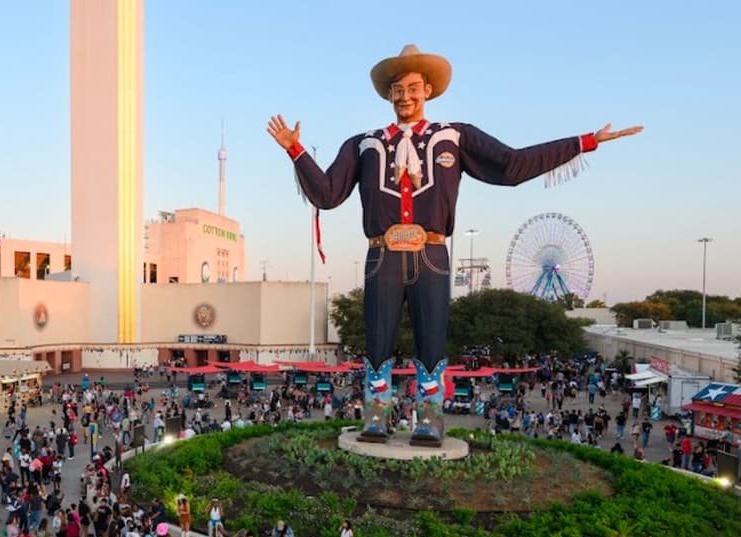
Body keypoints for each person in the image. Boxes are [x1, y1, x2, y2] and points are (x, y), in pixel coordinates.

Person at [269, 45, 640, 445]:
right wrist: (295, 149)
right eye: (396, 88)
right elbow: (327, 193)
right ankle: (376, 417)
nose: (404, 96)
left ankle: (429, 420)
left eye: (412, 87)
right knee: (378, 339)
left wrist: (583, 142)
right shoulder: (364, 144)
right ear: (388, 95)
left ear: (428, 89)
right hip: (383, 254)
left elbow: (511, 165)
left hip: (432, 253)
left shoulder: (454, 137)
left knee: (433, 338)